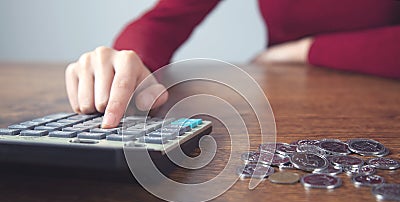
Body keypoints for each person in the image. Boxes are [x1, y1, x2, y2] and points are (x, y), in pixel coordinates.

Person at [65, 0, 400, 129]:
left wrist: (303, 50)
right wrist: (130, 62)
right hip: (283, 111)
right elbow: (162, 23)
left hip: (383, 107)